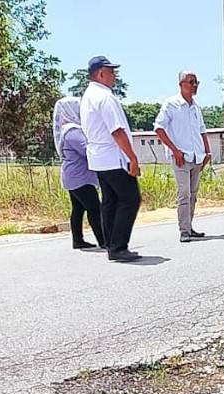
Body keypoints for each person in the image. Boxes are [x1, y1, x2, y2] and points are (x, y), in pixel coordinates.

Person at [80, 56, 142, 263]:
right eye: (111, 71)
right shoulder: (105, 97)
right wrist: (132, 157)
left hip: (99, 159)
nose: (114, 76)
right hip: (113, 157)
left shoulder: (88, 96)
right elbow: (116, 131)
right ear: (100, 73)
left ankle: (109, 243)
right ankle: (118, 246)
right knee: (130, 198)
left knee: (110, 201)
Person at [154, 70, 211, 242]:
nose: (195, 85)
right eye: (191, 82)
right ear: (181, 84)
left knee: (193, 194)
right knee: (184, 193)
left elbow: (202, 130)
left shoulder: (196, 107)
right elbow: (159, 128)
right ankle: (183, 231)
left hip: (197, 156)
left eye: (196, 82)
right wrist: (174, 150)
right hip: (181, 157)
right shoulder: (171, 104)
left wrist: (207, 151)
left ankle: (189, 226)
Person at [53, 96, 105, 250]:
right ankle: (104, 241)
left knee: (78, 209)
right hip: (80, 178)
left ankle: (78, 240)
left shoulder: (66, 130)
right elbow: (87, 150)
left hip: (73, 176)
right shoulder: (73, 131)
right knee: (95, 208)